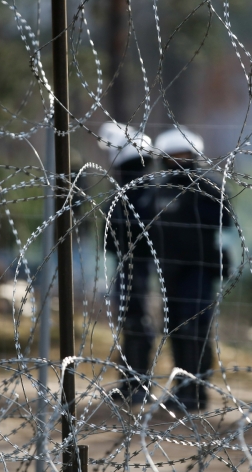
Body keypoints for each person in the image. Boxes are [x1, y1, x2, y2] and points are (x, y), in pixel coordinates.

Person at [152, 126, 233, 411]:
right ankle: (181, 388)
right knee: (175, 329)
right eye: (169, 156)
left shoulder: (207, 187)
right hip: (170, 272)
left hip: (198, 271)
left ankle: (197, 392)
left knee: (195, 330)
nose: (174, 161)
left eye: (180, 155)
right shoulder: (160, 190)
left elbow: (225, 220)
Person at [98, 123, 156, 404]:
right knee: (131, 318)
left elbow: (123, 229)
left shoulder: (135, 189)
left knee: (136, 318)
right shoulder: (138, 186)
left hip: (137, 263)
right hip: (131, 262)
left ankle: (138, 383)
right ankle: (131, 381)